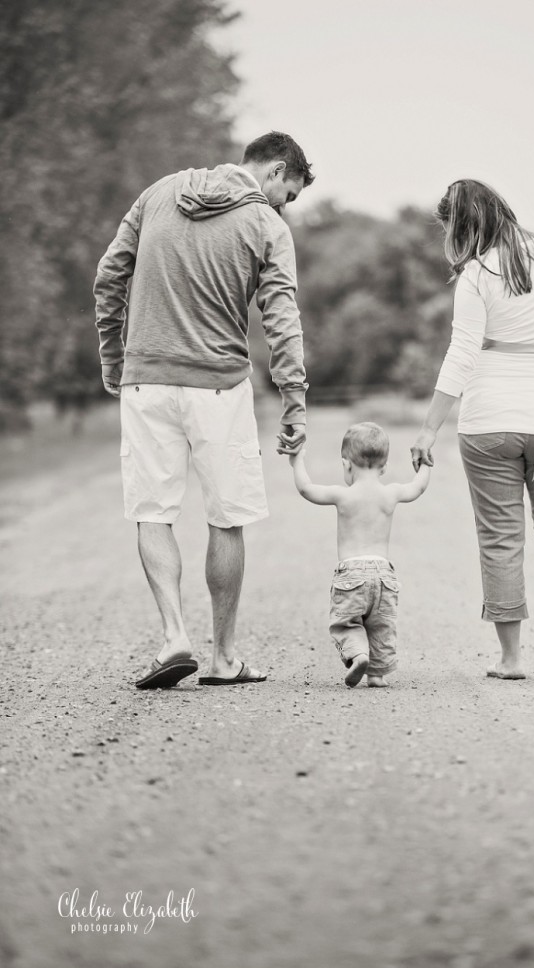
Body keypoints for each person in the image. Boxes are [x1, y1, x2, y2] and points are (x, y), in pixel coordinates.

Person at [93, 131, 314, 690]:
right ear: (276, 170)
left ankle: (173, 638)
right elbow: (281, 318)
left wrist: (114, 358)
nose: (281, 206)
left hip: (146, 382)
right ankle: (223, 659)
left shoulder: (158, 194)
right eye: (286, 194)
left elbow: (108, 278)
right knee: (227, 516)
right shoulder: (266, 225)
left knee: (153, 510)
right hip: (219, 386)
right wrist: (294, 399)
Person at [411, 179, 534, 680]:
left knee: (501, 537)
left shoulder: (477, 273)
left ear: (462, 226)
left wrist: (429, 428)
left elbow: (461, 354)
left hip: (490, 423)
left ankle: (513, 659)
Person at [288, 422, 430, 687]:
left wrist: (296, 460)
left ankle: (358, 654)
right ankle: (376, 674)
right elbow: (418, 488)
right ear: (384, 467)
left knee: (347, 623)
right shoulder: (391, 492)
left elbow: (306, 489)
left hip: (351, 573)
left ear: (347, 464)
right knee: (382, 626)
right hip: (384, 574)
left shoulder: (343, 495)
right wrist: (426, 464)